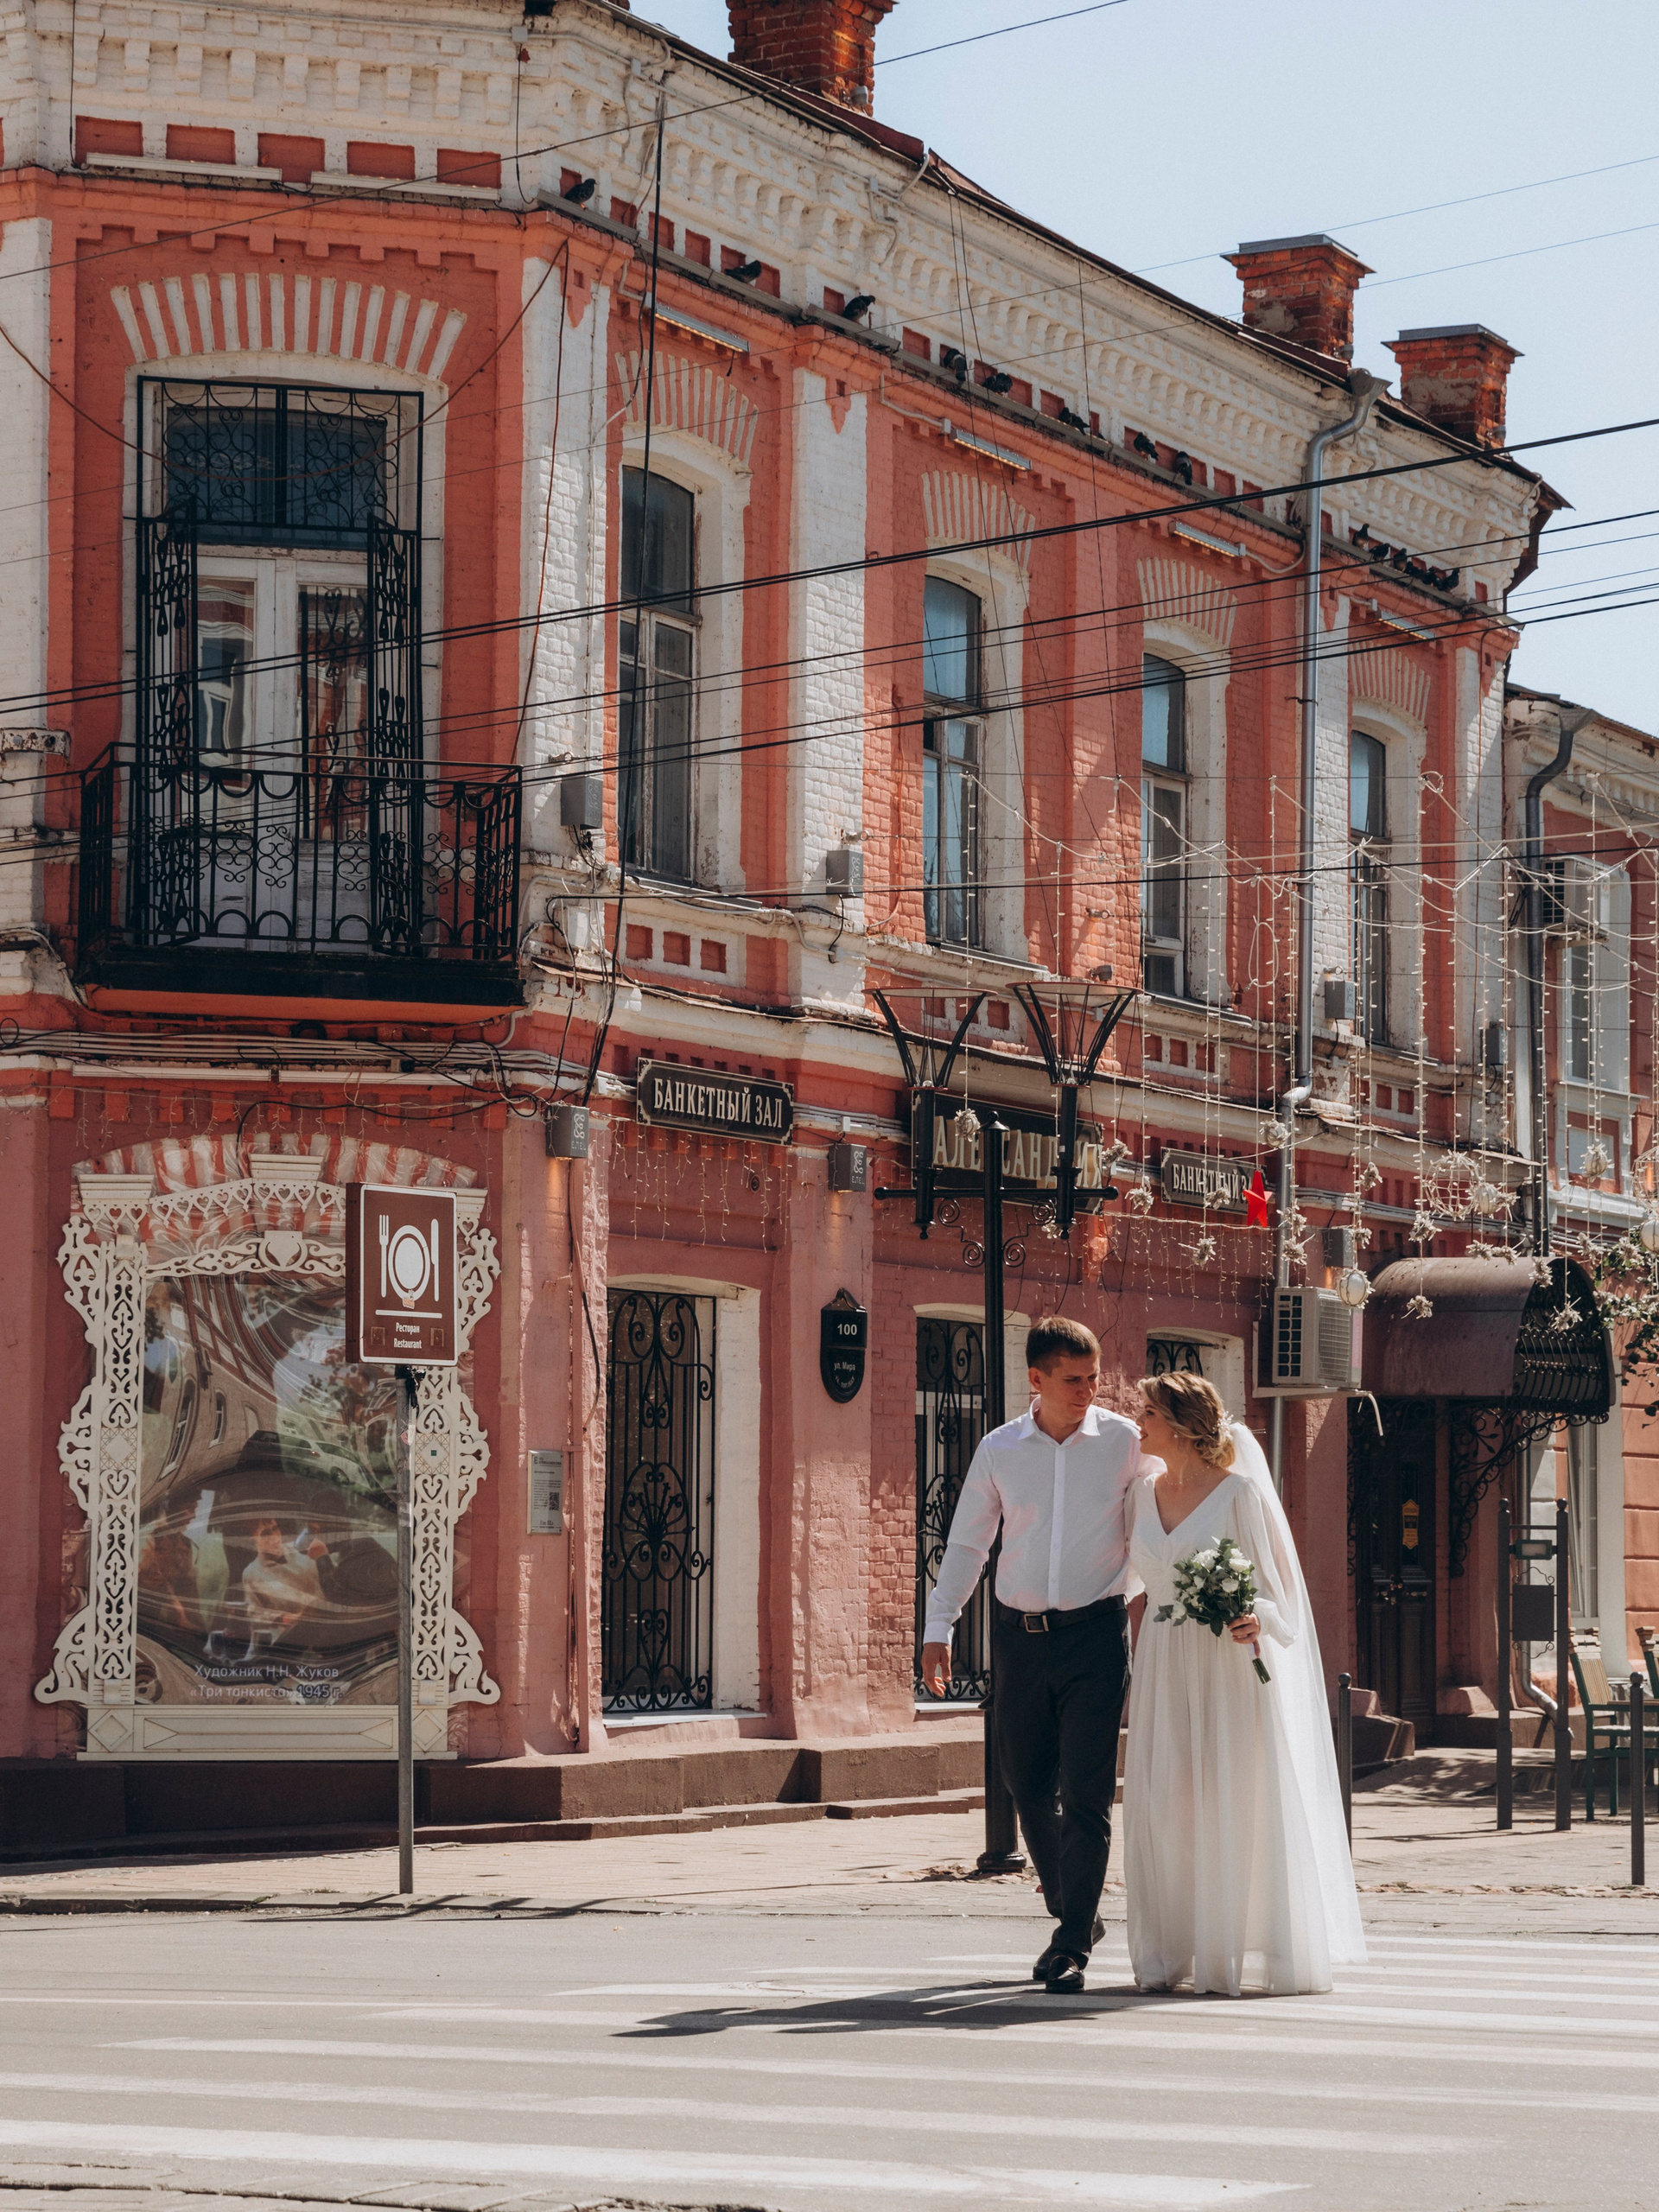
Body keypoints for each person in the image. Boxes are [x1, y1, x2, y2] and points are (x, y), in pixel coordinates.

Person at [921, 1314, 1148, 1993]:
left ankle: (1072, 1942)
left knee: (1086, 1794)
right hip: (1018, 1639)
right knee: (1026, 1785)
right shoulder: (1000, 1448)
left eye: (1093, 1378)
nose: (1087, 1391)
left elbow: (1163, 1518)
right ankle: (1073, 1909)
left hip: (1096, 1636)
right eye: (1073, 1380)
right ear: (1036, 1380)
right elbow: (969, 1542)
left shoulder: (1125, 1443)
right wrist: (939, 1627)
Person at [1125, 1370, 1366, 1995]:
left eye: (1147, 1412)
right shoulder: (1140, 1494)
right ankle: (1167, 1949)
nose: (1137, 1422)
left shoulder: (1240, 1496)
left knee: (1233, 1801)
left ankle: (1232, 1945)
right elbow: (1126, 1580)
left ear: (1178, 1425)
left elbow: (1282, 1593)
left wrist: (1255, 1615)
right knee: (1164, 1805)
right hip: (1162, 1662)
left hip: (1226, 1667)